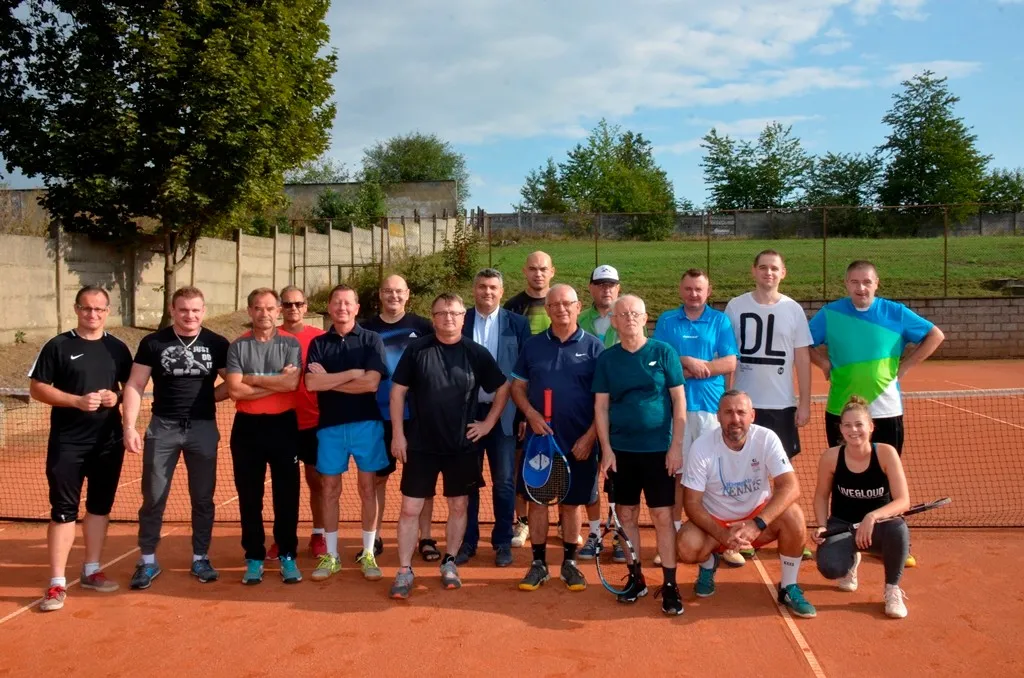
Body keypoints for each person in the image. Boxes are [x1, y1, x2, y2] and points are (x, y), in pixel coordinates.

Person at [809, 259, 945, 567]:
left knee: (886, 480)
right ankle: (846, 543)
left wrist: (906, 366)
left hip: (886, 411)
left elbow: (935, 335)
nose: (861, 288)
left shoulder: (896, 312)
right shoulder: (830, 314)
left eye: (867, 282)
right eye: (855, 282)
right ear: (846, 284)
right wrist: (823, 363)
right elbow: (802, 342)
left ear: (876, 284)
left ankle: (893, 540)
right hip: (841, 411)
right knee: (843, 478)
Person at [387, 293, 511, 599]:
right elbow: (397, 392)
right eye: (441, 313)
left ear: (463, 317)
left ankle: (450, 562)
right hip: (420, 445)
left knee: (459, 506)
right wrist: (398, 435)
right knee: (410, 509)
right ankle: (404, 569)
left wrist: (488, 424)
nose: (448, 318)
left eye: (454, 313)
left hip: (461, 446)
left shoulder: (476, 352)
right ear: (433, 318)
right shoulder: (417, 349)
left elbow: (503, 387)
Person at [29, 286, 134, 611]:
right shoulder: (58, 345)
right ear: (76, 309)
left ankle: (91, 570)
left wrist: (116, 397)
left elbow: (132, 387)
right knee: (63, 511)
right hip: (68, 443)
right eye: (87, 308)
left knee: (100, 508)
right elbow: (37, 388)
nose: (93, 314)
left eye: (99, 309)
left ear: (108, 312)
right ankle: (56, 583)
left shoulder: (118, 348)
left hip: (108, 443)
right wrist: (76, 401)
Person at [123, 286, 230, 589]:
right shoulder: (153, 342)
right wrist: (129, 426)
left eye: (195, 310)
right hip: (163, 427)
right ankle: (147, 561)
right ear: (172, 310)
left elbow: (234, 383)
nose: (189, 315)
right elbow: (135, 384)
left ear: (203, 311)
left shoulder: (216, 343)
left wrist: (207, 399)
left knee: (203, 497)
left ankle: (200, 557)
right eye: (183, 309)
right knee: (154, 496)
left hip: (203, 428)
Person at [676, 390, 817, 619]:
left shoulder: (766, 438)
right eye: (728, 412)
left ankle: (788, 586)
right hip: (716, 523)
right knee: (686, 547)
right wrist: (722, 534)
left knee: (794, 515)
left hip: (757, 519)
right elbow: (691, 503)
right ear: (718, 416)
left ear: (752, 415)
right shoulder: (701, 447)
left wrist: (757, 524)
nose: (735, 419)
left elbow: (791, 487)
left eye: (741, 412)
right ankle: (709, 564)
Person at [594, 295, 687, 615]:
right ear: (614, 322)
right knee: (627, 516)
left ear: (645, 318)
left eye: (635, 313)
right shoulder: (607, 359)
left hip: (659, 451)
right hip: (621, 453)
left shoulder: (664, 352)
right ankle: (636, 578)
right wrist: (606, 450)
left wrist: (676, 446)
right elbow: (601, 407)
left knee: (663, 517)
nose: (629, 318)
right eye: (623, 314)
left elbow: (679, 402)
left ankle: (671, 585)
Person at [511, 284, 603, 593]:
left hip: (579, 442)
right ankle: (538, 564)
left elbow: (604, 401)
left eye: (567, 304)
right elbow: (517, 387)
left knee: (572, 503)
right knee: (538, 502)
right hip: (540, 441)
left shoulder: (594, 348)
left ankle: (570, 563)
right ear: (548, 310)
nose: (561, 309)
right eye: (554, 305)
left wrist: (590, 437)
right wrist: (530, 414)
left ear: (578, 307)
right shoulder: (533, 346)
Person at [724, 249, 813, 562]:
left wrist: (804, 402)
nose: (768, 273)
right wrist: (727, 398)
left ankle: (792, 534)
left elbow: (802, 358)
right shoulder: (736, 306)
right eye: (763, 267)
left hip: (781, 405)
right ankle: (743, 537)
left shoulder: (793, 309)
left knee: (783, 477)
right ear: (754, 271)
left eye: (774, 268)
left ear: (783, 272)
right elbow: (728, 355)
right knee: (743, 474)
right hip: (744, 407)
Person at [653, 269, 740, 566]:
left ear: (708, 291)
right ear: (681, 290)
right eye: (688, 288)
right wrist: (686, 361)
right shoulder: (667, 320)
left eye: (699, 289)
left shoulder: (720, 320)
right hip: (673, 410)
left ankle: (725, 540)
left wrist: (699, 368)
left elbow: (730, 362)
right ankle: (672, 539)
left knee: (715, 477)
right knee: (676, 474)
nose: (693, 294)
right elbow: (658, 359)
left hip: (709, 409)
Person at [304, 284, 389, 582]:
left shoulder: (371, 340)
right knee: (329, 490)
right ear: (329, 307)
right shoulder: (318, 343)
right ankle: (332, 555)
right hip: (329, 428)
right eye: (337, 302)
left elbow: (371, 384)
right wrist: (353, 374)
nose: (342, 307)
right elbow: (311, 384)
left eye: (347, 302)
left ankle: (368, 552)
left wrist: (329, 380)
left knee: (368, 489)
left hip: (367, 424)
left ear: (356, 307)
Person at [224, 288, 303, 585]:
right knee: (249, 496)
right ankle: (254, 556)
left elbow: (292, 384)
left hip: (284, 426)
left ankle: (287, 554)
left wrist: (252, 379)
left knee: (287, 495)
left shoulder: (290, 343)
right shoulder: (237, 346)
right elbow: (234, 389)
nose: (264, 313)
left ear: (278, 311)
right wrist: (275, 383)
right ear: (249, 311)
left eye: (270, 308)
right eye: (258, 308)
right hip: (247, 428)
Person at [812, 395, 911, 619]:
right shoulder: (831, 457)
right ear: (841, 428)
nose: (853, 430)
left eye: (859, 424)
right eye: (847, 425)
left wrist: (872, 516)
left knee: (899, 529)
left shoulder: (886, 453)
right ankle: (850, 562)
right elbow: (821, 496)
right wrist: (821, 525)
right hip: (843, 525)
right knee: (830, 567)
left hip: (880, 526)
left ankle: (892, 588)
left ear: (871, 427)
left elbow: (903, 501)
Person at [361, 275, 437, 563]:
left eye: (399, 291)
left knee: (422, 481)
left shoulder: (423, 327)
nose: (393, 296)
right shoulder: (365, 328)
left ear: (408, 294)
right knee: (377, 480)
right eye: (388, 291)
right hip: (376, 416)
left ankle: (426, 537)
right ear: (380, 294)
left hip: (417, 416)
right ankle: (375, 537)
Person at [459, 268, 530, 567]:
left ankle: (502, 542)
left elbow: (525, 372)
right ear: (474, 290)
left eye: (492, 287)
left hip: (506, 414)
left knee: (504, 481)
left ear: (502, 291)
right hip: (466, 414)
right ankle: (467, 541)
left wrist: (524, 413)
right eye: (482, 286)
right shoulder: (461, 320)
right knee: (468, 482)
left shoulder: (518, 324)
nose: (487, 292)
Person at [504, 250, 557, 548]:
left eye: (543, 269)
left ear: (552, 272)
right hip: (521, 399)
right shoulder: (513, 307)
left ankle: (563, 520)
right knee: (518, 464)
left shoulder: (561, 303)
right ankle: (522, 521)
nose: (538, 274)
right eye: (533, 269)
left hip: (558, 398)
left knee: (558, 459)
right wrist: (522, 412)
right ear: (525, 271)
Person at [577, 264, 628, 563]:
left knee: (617, 477)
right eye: (600, 284)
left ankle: (620, 534)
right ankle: (594, 533)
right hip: (584, 410)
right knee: (588, 477)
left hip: (619, 413)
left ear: (618, 288)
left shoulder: (628, 318)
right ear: (591, 288)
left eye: (611, 284)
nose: (606, 289)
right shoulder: (579, 319)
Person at [271, 285, 326, 559]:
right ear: (280, 308)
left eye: (298, 303)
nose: (293, 308)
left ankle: (319, 534)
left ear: (306, 307)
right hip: (281, 423)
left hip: (315, 422)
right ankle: (283, 538)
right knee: (284, 486)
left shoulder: (321, 338)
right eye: (287, 304)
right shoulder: (269, 338)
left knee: (317, 481)